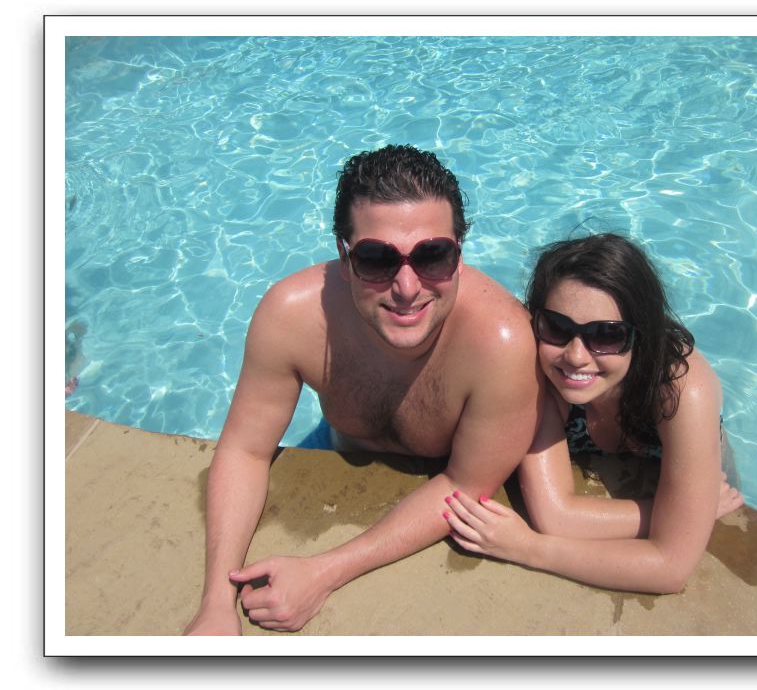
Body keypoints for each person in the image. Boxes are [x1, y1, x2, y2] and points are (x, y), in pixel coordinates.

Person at [184, 145, 543, 634]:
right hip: (336, 444)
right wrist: (216, 604)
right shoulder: (292, 316)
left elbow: (463, 485)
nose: (407, 288)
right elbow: (246, 450)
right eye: (377, 259)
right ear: (344, 255)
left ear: (459, 254)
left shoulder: (501, 343)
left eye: (433, 255)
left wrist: (323, 572)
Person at [441, 233, 744, 594]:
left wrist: (528, 549)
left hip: (699, 457)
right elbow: (557, 518)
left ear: (641, 336)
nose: (575, 356)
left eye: (605, 335)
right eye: (558, 327)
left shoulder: (680, 389)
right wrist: (682, 513)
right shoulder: (539, 372)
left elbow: (670, 568)